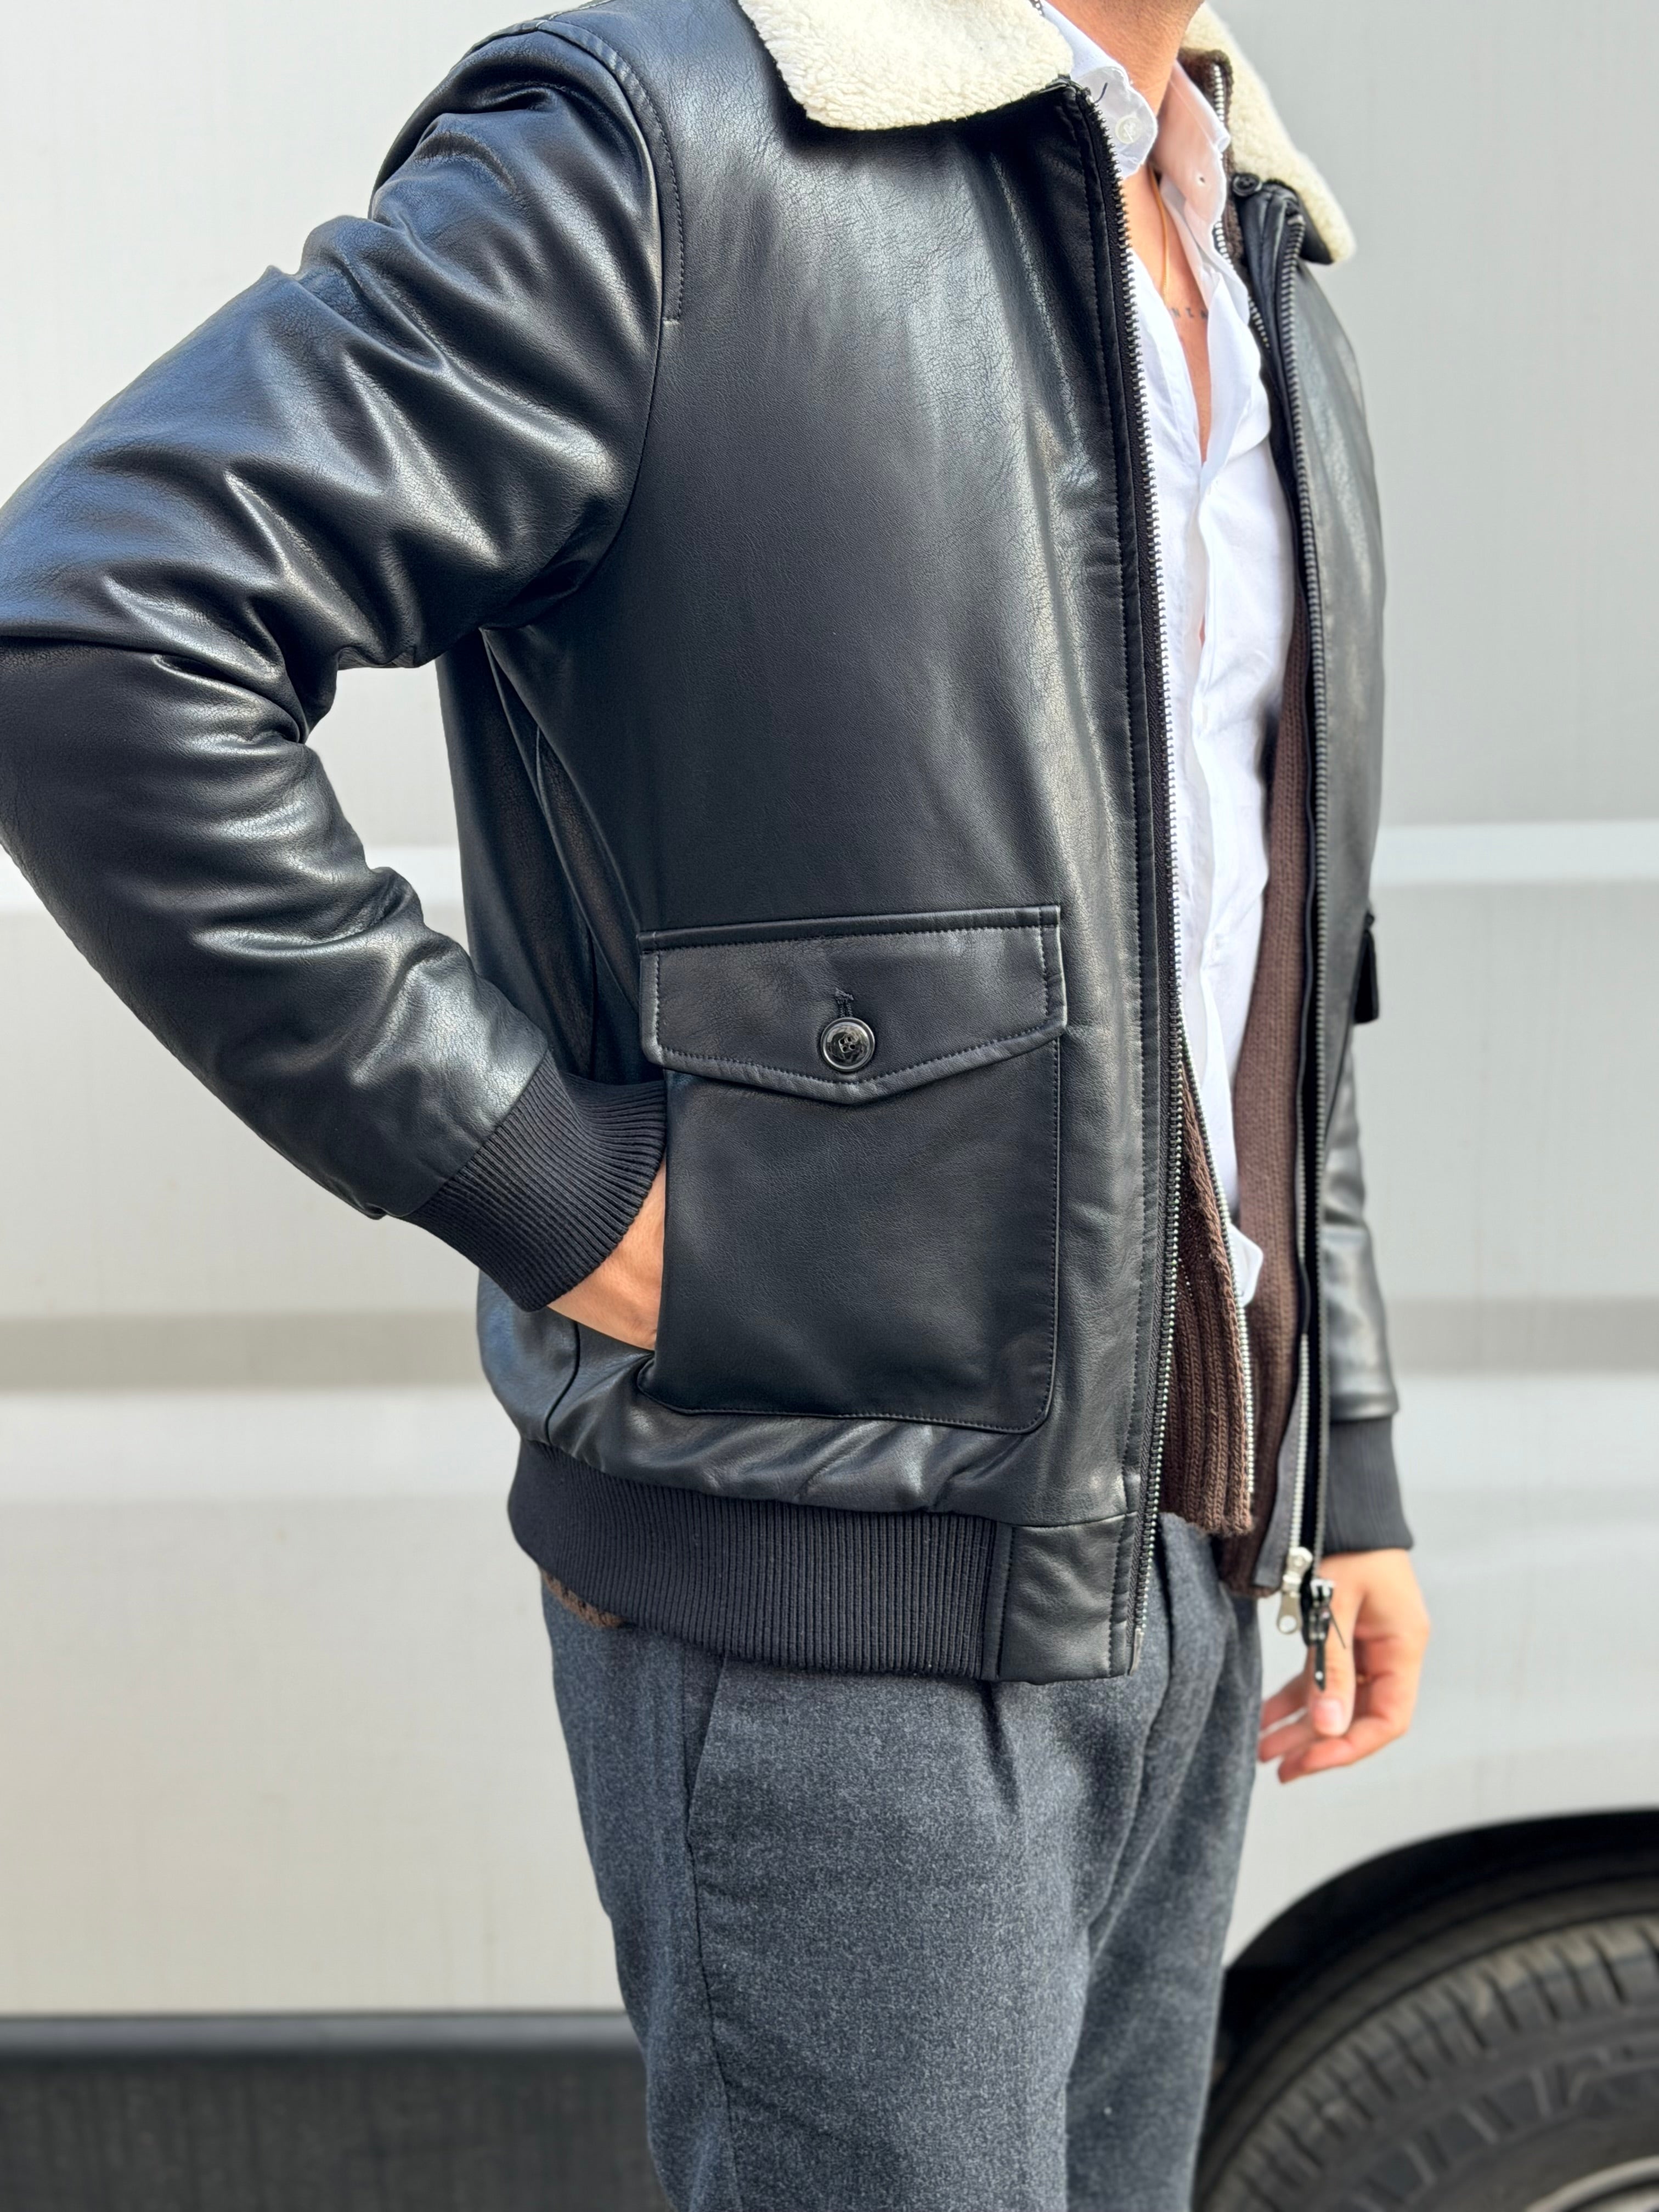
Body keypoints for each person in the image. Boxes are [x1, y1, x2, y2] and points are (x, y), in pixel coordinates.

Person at [0, 0, 1431, 2202]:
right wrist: (551, 1185)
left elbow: (1255, 958)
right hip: (824, 1583)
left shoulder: (1257, 253)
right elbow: (93, 635)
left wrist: (1348, 1461)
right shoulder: (663, 160)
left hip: (1186, 1561)